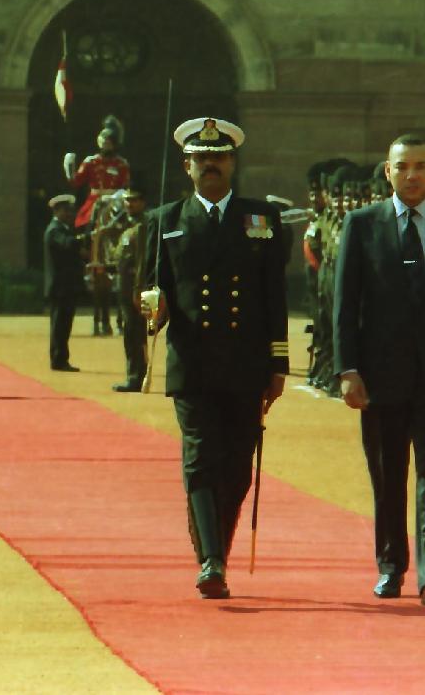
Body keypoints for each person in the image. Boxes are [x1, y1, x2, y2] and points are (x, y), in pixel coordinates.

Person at [139, 116, 289, 600]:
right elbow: (151, 290)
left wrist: (278, 364)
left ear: (232, 163)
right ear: (187, 166)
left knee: (238, 466)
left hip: (246, 364)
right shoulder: (166, 221)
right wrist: (152, 309)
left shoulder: (260, 219)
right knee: (201, 458)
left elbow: (274, 296)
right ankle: (211, 560)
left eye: (219, 158)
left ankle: (214, 547)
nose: (211, 165)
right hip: (194, 363)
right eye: (202, 159)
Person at [333, 134, 425, 608]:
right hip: (380, 377)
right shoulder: (362, 224)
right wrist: (347, 369)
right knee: (388, 476)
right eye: (402, 167)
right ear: (388, 171)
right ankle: (391, 565)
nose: (412, 175)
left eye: (421, 166)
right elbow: (345, 305)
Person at [64, 114, 132, 229]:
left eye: (109, 143)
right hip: (95, 200)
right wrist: (69, 169)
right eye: (105, 143)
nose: (107, 146)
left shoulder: (121, 164)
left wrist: (116, 197)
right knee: (85, 223)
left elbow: (126, 186)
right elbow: (76, 182)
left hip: (115, 200)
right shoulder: (91, 162)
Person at [112, 189, 148, 392]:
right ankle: (134, 374)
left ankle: (136, 377)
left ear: (142, 203)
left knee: (135, 333)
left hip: (134, 287)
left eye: (133, 200)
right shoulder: (128, 226)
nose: (129, 204)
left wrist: (138, 289)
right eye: (126, 201)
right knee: (130, 332)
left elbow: (142, 261)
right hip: (124, 286)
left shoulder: (141, 227)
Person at [43, 194, 83, 372]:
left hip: (66, 287)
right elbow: (68, 244)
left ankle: (61, 358)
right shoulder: (55, 230)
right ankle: (58, 360)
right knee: (60, 326)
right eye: (65, 210)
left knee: (64, 326)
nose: (69, 214)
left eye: (70, 210)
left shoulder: (63, 229)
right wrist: (87, 236)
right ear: (56, 211)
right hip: (60, 287)